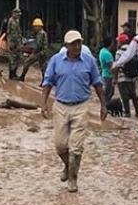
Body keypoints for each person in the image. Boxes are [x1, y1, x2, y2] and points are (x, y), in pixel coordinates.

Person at [41, 30, 108, 193]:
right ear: (66, 45)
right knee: (60, 145)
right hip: (61, 106)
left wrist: (103, 105)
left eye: (79, 43)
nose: (77, 46)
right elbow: (47, 82)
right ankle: (67, 165)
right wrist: (43, 104)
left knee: (76, 147)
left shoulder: (89, 61)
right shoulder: (56, 61)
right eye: (73, 44)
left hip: (81, 106)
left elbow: (97, 83)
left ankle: (73, 178)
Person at [114, 33, 138, 118]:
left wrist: (115, 78)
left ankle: (127, 113)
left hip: (122, 78)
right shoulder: (133, 51)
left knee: (124, 96)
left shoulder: (119, 52)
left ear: (121, 42)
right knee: (134, 95)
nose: (117, 43)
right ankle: (137, 112)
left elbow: (117, 65)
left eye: (118, 41)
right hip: (132, 77)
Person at [6, 9, 25, 80]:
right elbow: (8, 33)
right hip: (13, 43)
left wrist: (20, 42)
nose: (19, 16)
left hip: (17, 43)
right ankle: (11, 74)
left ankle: (14, 73)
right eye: (18, 14)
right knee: (12, 59)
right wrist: (9, 42)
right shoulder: (11, 21)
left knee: (17, 58)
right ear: (13, 13)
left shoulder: (17, 21)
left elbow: (18, 33)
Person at [98, 37, 116, 102]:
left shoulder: (102, 51)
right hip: (108, 75)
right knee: (109, 93)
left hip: (105, 73)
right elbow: (111, 67)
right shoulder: (107, 54)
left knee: (108, 92)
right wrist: (115, 77)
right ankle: (106, 105)